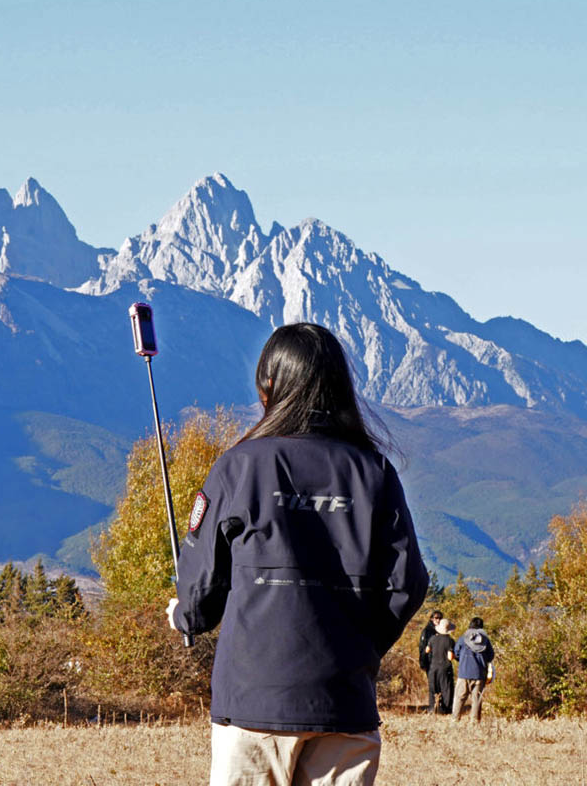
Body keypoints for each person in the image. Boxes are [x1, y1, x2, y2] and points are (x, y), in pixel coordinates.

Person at [165, 323, 429, 786]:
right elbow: (406, 585)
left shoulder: (239, 466)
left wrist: (185, 615)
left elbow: (201, 586)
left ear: (268, 386)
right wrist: (360, 646)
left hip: (252, 703)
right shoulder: (374, 471)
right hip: (345, 702)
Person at [452, 617, 494, 722]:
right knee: (476, 700)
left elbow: (456, 653)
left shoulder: (462, 639)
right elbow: (490, 656)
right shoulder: (485, 640)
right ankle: (474, 722)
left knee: (459, 698)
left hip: (464, 673)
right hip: (479, 674)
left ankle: (455, 720)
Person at [426, 618, 456, 714]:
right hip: (445, 667)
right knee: (446, 689)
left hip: (433, 667)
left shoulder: (432, 638)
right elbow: (450, 657)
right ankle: (446, 709)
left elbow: (427, 650)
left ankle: (432, 708)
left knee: (433, 688)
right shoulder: (450, 641)